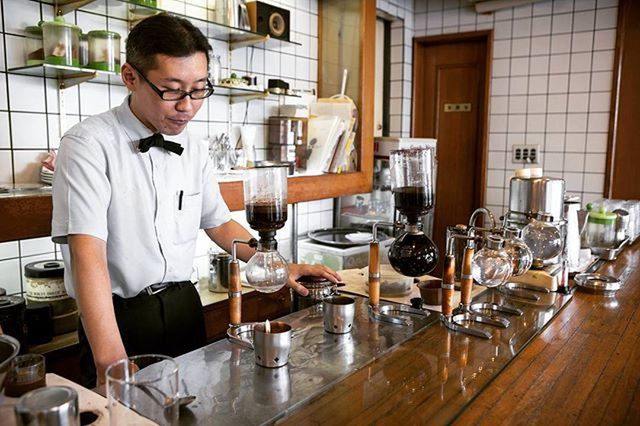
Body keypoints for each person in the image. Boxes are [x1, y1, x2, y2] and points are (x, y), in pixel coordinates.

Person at [51, 13, 340, 388]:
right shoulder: (87, 145)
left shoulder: (194, 146)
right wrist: (111, 361)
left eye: (199, 89)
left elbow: (218, 222)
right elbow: (86, 254)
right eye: (172, 90)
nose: (187, 105)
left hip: (186, 309)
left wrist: (276, 266)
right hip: (118, 319)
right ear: (130, 77)